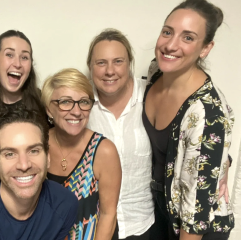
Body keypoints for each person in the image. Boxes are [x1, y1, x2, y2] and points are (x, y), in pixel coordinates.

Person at [143, 0, 235, 239]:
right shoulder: (157, 71)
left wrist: (214, 165)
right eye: (167, 32)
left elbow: (196, 214)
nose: (170, 45)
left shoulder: (205, 114)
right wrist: (220, 161)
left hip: (195, 226)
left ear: (205, 48)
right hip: (163, 208)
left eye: (188, 37)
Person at [0, 107, 78, 240]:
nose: (24, 165)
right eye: (10, 154)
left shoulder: (64, 204)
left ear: (48, 158)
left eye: (33, 151)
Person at [86, 29, 154, 240]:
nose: (109, 71)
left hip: (144, 224)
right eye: (101, 63)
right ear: (90, 66)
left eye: (118, 61)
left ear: (129, 63)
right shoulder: (80, 103)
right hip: (96, 227)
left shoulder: (152, 96)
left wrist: (223, 159)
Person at [42, 68, 122, 240]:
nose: (77, 111)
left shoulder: (103, 151)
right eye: (65, 102)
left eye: (84, 102)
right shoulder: (37, 145)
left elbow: (108, 215)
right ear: (49, 109)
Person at [0, 30, 46, 186]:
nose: (17, 63)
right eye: (9, 55)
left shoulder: (44, 103)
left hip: (36, 196)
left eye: (24, 57)